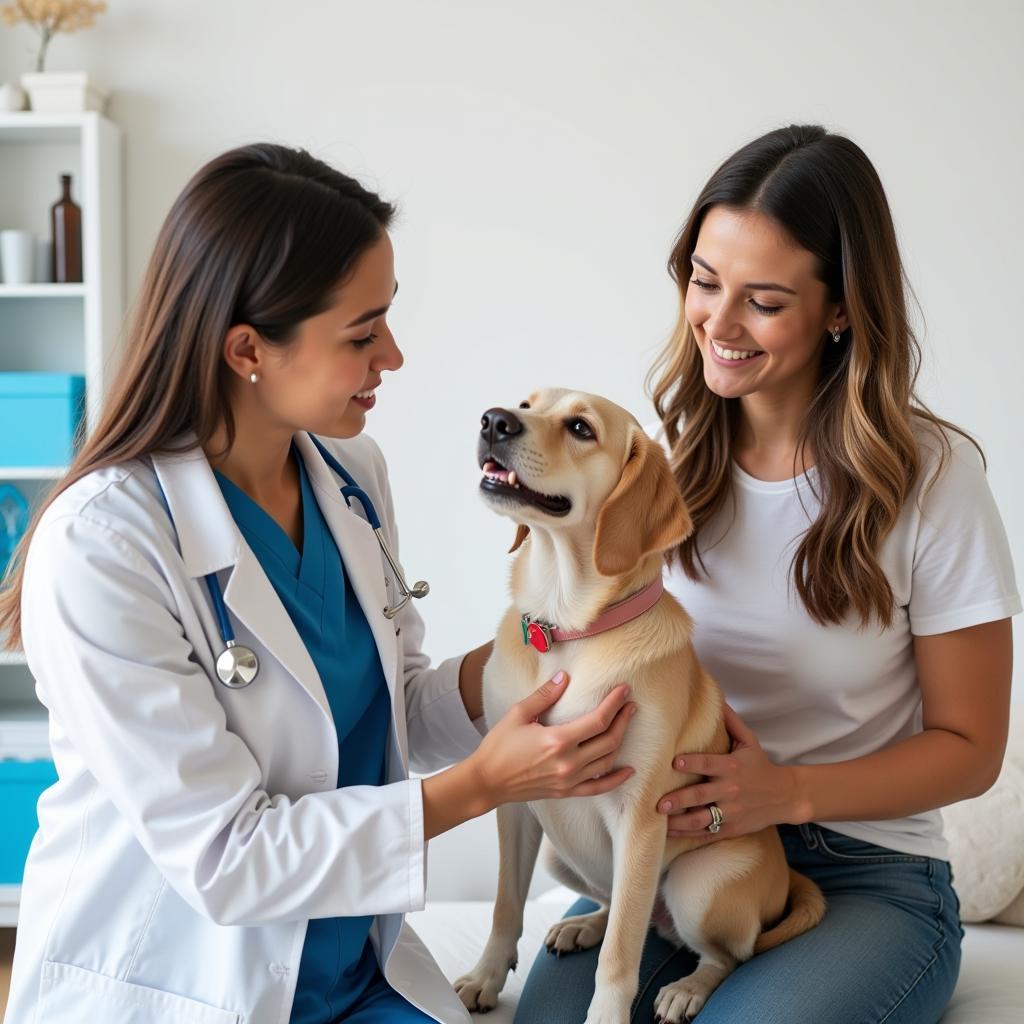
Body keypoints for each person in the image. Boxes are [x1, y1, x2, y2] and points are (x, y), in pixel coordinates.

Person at [0, 144, 638, 1024]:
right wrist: (485, 785)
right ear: (248, 349)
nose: (396, 356)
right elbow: (230, 857)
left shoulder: (350, 474)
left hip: (350, 970)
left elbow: (393, 707)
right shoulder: (103, 545)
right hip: (189, 988)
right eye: (362, 333)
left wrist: (549, 662)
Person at [515, 124, 1020, 1023]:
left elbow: (973, 749)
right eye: (705, 283)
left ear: (840, 309)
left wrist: (788, 793)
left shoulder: (933, 480)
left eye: (765, 300)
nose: (719, 322)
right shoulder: (660, 475)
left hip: (865, 872)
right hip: (676, 858)